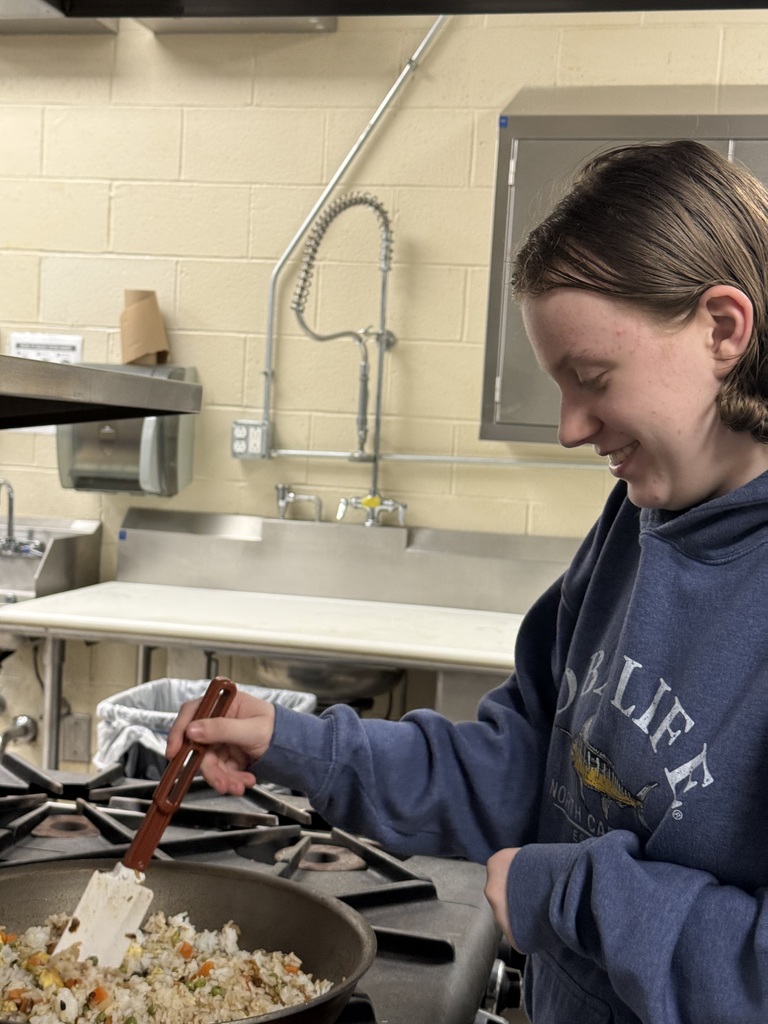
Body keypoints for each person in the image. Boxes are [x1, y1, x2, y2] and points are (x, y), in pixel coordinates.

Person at [167, 139, 768, 1024]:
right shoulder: (633, 526)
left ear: (722, 328)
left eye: (593, 379)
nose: (569, 427)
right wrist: (296, 744)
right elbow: (525, 766)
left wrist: (570, 898)